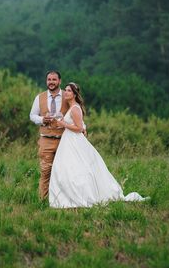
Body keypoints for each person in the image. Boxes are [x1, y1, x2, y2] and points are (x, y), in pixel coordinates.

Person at [49, 82, 148, 208]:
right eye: (65, 90)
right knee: (67, 168)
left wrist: (63, 124)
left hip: (74, 140)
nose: (65, 92)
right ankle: (66, 196)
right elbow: (81, 125)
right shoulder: (72, 107)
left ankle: (83, 196)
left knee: (79, 168)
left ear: (74, 94)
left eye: (68, 90)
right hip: (68, 140)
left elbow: (79, 128)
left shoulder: (74, 108)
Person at [29, 70, 70, 200]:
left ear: (59, 81)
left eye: (54, 79)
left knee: (64, 172)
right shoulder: (39, 97)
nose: (51, 82)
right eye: (49, 80)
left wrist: (83, 128)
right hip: (45, 140)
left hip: (64, 139)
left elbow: (76, 112)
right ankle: (43, 201)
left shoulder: (67, 95)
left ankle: (63, 200)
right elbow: (32, 115)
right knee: (45, 172)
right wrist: (41, 120)